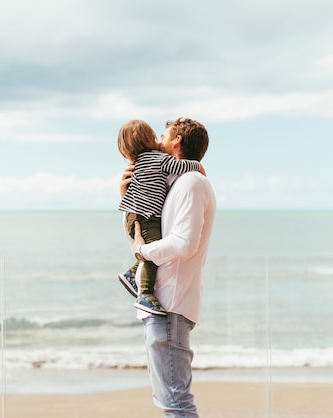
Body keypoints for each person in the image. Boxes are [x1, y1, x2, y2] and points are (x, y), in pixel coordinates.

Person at [120, 117, 216, 418]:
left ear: (176, 141)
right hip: (163, 304)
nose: (157, 140)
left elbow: (184, 243)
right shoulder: (175, 183)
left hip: (169, 305)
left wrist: (142, 252)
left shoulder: (191, 182)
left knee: (175, 403)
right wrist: (127, 196)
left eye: (163, 134)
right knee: (169, 401)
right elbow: (148, 233)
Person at [117, 119, 204, 315]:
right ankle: (145, 294)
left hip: (136, 217)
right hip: (147, 218)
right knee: (152, 249)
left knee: (150, 246)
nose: (158, 141)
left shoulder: (138, 163)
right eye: (156, 137)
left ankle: (132, 273)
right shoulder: (160, 160)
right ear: (148, 140)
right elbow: (184, 166)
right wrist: (198, 166)